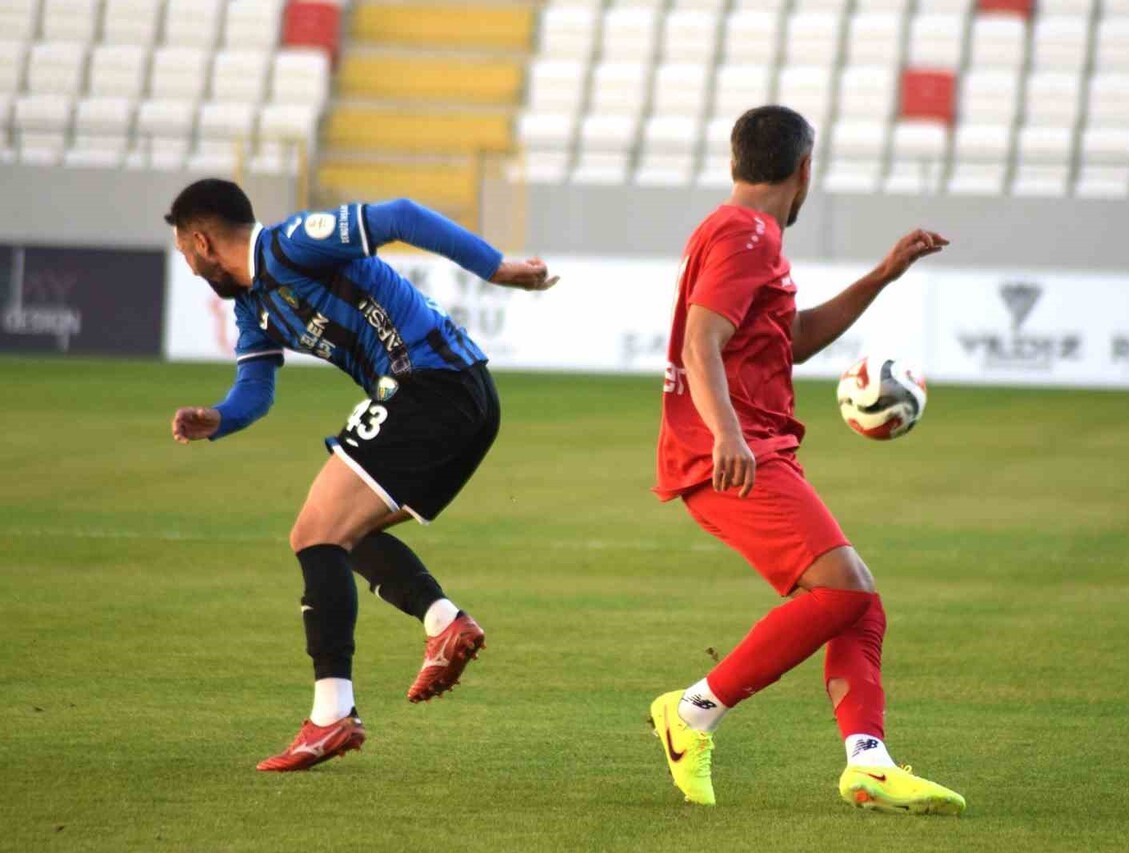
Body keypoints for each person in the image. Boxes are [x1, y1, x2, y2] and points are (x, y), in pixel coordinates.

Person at [166, 179, 556, 772]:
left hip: (431, 383)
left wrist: (496, 269)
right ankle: (442, 622)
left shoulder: (291, 245)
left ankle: (332, 718)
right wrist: (218, 418)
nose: (189, 266)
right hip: (458, 398)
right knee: (344, 537)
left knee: (314, 535)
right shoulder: (253, 307)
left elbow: (400, 214)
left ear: (201, 241)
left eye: (185, 253)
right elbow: (256, 390)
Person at [648, 106, 966, 814]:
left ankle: (868, 760)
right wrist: (728, 434)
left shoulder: (738, 233)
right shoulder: (747, 233)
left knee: (860, 605)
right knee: (846, 589)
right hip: (730, 454)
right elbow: (701, 341)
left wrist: (881, 275)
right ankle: (693, 712)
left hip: (746, 447)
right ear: (804, 170)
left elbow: (786, 338)